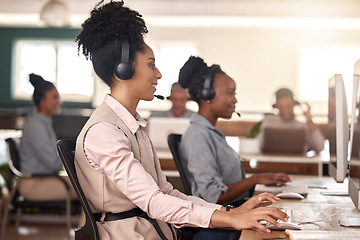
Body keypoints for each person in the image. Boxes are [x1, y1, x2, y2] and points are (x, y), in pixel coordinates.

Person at [74, 1, 288, 239]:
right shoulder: (104, 131)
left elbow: (165, 192)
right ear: (123, 70)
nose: (159, 74)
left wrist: (230, 211)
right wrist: (230, 218)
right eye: (151, 65)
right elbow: (153, 202)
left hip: (155, 232)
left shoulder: (132, 125)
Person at [178, 56, 291, 208]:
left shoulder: (211, 132)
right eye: (230, 93)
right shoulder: (197, 135)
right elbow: (214, 196)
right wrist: (255, 179)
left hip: (233, 211)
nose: (235, 100)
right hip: (220, 222)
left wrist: (259, 181)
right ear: (207, 94)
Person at [18, 73, 77, 201]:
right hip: (34, 184)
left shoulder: (42, 122)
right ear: (43, 101)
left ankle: (84, 222)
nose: (59, 101)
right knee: (88, 190)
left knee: (87, 187)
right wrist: (78, 161)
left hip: (45, 179)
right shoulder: (35, 125)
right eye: (55, 97)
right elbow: (53, 163)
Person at [260, 87, 325, 153]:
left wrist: (309, 119)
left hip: (297, 162)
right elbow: (256, 145)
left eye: (288, 106)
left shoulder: (302, 126)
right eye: (281, 107)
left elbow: (320, 147)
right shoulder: (267, 122)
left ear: (294, 104)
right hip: (271, 162)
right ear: (276, 106)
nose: (284, 110)